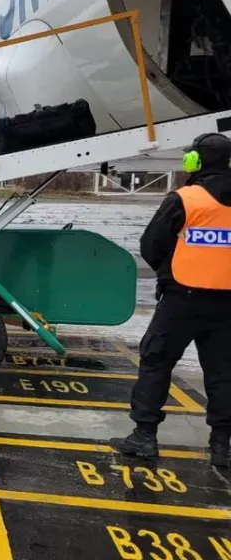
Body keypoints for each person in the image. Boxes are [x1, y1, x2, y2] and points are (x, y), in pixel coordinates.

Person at [111, 132, 231, 469]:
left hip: (183, 297)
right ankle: (221, 446)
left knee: (156, 362)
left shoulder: (186, 198)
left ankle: (144, 436)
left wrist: (170, 271)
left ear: (194, 162)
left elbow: (152, 245)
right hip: (227, 304)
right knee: (223, 374)